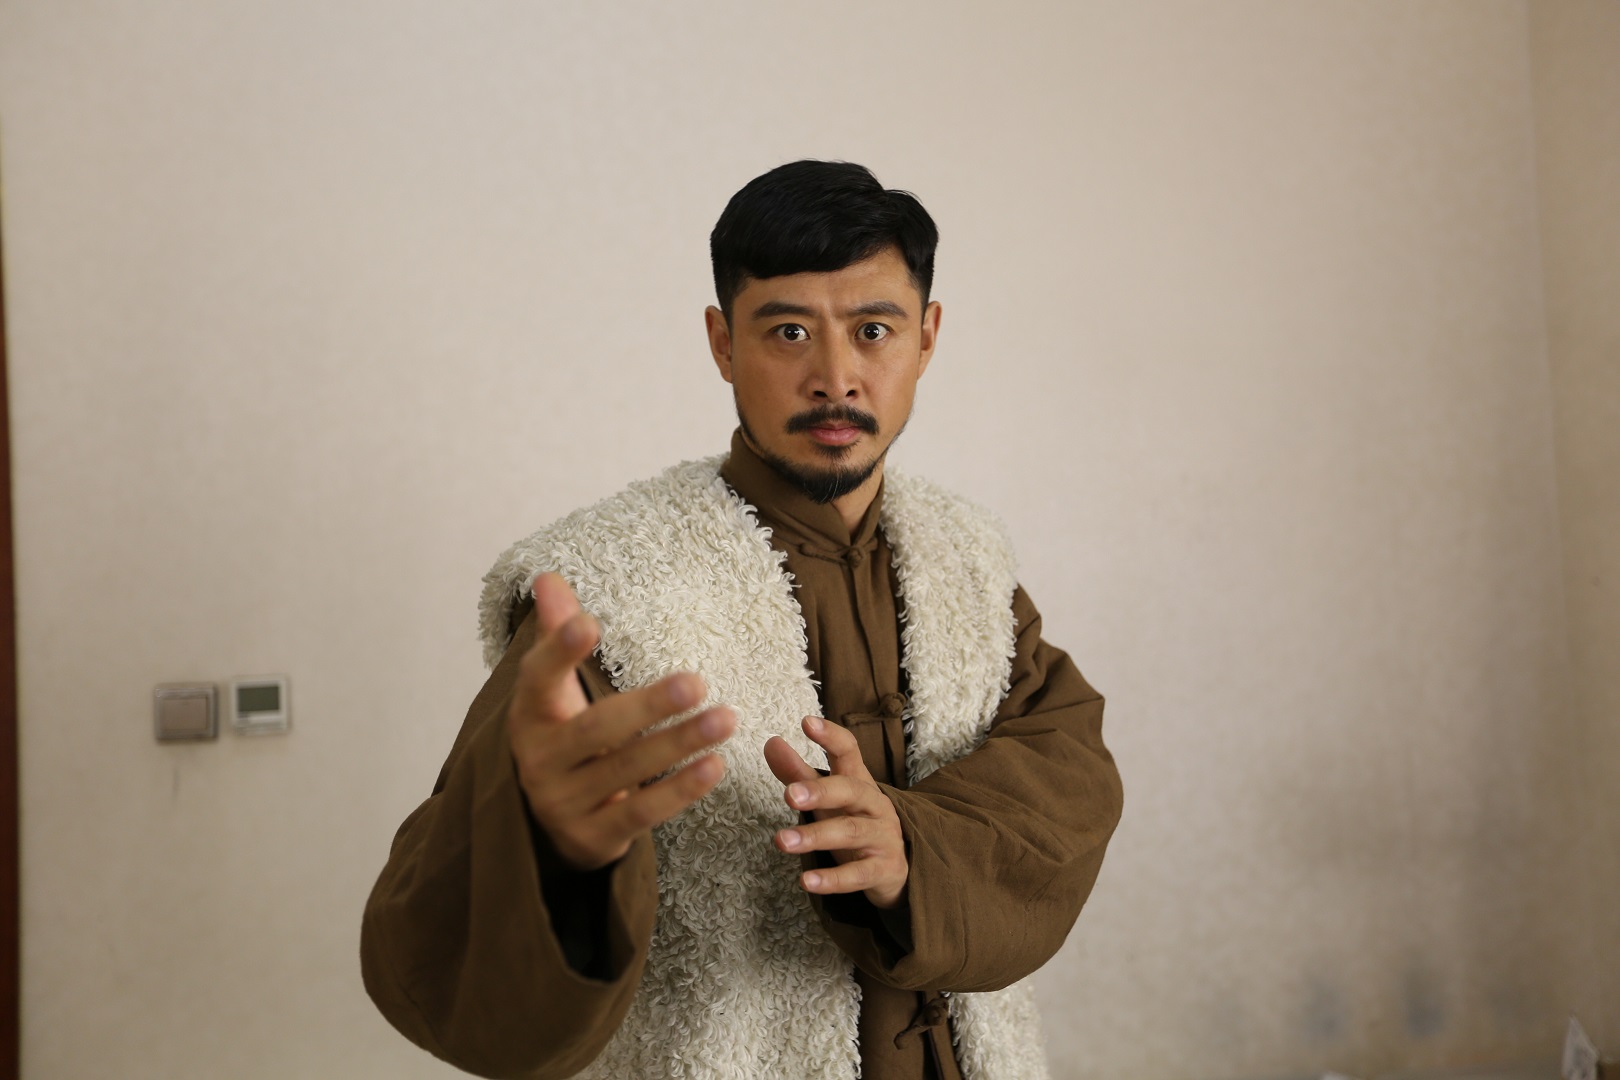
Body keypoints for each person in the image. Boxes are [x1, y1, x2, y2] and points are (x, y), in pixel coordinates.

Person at [360, 160, 1124, 1080]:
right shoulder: (605, 588)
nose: (835, 378)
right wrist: (552, 853)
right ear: (723, 344)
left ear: (926, 338)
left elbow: (1064, 764)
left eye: (873, 331)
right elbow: (437, 941)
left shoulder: (969, 554)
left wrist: (911, 847)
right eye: (788, 331)